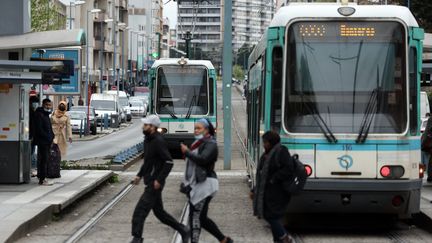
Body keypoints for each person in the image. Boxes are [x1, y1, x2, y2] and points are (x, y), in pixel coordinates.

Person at [131, 115, 189, 243]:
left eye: (145, 125)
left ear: (152, 127)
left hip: (154, 183)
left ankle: (137, 239)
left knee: (140, 212)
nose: (143, 127)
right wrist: (139, 175)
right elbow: (147, 162)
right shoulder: (148, 140)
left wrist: (159, 179)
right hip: (150, 181)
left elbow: (169, 162)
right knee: (160, 214)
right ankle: (183, 230)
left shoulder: (158, 141)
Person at [180, 118, 233, 243]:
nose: (196, 131)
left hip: (205, 184)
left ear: (206, 130)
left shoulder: (210, 144)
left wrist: (187, 152)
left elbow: (203, 159)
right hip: (199, 183)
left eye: (199, 128)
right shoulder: (198, 143)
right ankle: (224, 240)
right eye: (195, 128)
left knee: (195, 217)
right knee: (201, 218)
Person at [251, 131, 294, 243]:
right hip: (268, 193)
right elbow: (261, 175)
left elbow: (288, 169)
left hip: (278, 193)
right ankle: (280, 239)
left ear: (271, 142)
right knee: (273, 217)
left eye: (265, 142)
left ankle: (285, 236)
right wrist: (255, 189)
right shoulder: (267, 154)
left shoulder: (281, 151)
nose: (264, 145)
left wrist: (274, 178)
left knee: (270, 216)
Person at [33, 98, 54, 186]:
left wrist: (52, 136)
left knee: (45, 160)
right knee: (44, 160)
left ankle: (42, 177)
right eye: (47, 105)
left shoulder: (46, 114)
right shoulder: (39, 114)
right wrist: (48, 137)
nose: (48, 107)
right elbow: (39, 129)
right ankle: (42, 179)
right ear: (43, 104)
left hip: (47, 141)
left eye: (49, 105)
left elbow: (49, 127)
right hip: (43, 141)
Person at [421, 113, 432, 182]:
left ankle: (430, 176)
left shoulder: (430, 119)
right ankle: (430, 175)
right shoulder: (430, 119)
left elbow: (428, 131)